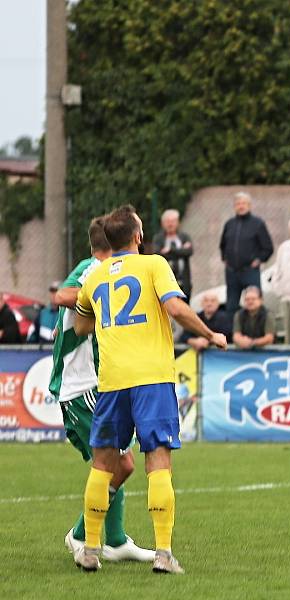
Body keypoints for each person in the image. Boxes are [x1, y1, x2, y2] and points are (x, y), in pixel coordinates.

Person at [73, 204, 228, 573]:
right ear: (138, 236)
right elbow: (175, 308)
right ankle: (163, 554)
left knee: (102, 464)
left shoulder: (94, 279)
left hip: (111, 381)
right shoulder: (154, 264)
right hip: (152, 379)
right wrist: (209, 333)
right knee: (158, 461)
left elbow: (80, 327)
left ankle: (90, 550)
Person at [51, 216, 154, 565]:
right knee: (120, 463)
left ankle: (115, 539)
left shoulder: (105, 271)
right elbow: (63, 294)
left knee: (116, 459)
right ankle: (81, 534)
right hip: (79, 387)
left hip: (98, 383)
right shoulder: (95, 268)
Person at [219, 191, 274, 316]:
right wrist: (225, 258)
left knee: (255, 305)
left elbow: (268, 248)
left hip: (250, 271)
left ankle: (258, 334)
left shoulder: (258, 223)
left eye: (243, 203)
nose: (241, 206)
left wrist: (259, 260)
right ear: (234, 206)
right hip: (232, 272)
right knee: (231, 306)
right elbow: (222, 245)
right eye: (238, 203)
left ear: (249, 205)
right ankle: (233, 335)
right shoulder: (229, 224)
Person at [152, 209, 193, 301]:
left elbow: (189, 252)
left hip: (184, 282)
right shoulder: (158, 239)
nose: (170, 224)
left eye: (173, 221)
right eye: (167, 222)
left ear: (178, 222)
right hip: (166, 283)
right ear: (163, 223)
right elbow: (158, 255)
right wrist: (181, 250)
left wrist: (170, 250)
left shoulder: (184, 237)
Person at [233, 286, 276, 350]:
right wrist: (241, 341)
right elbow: (236, 336)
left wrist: (252, 342)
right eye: (247, 299)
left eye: (253, 299)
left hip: (265, 351)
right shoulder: (238, 314)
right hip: (244, 351)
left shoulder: (268, 315)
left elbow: (269, 338)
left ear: (261, 300)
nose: (250, 302)